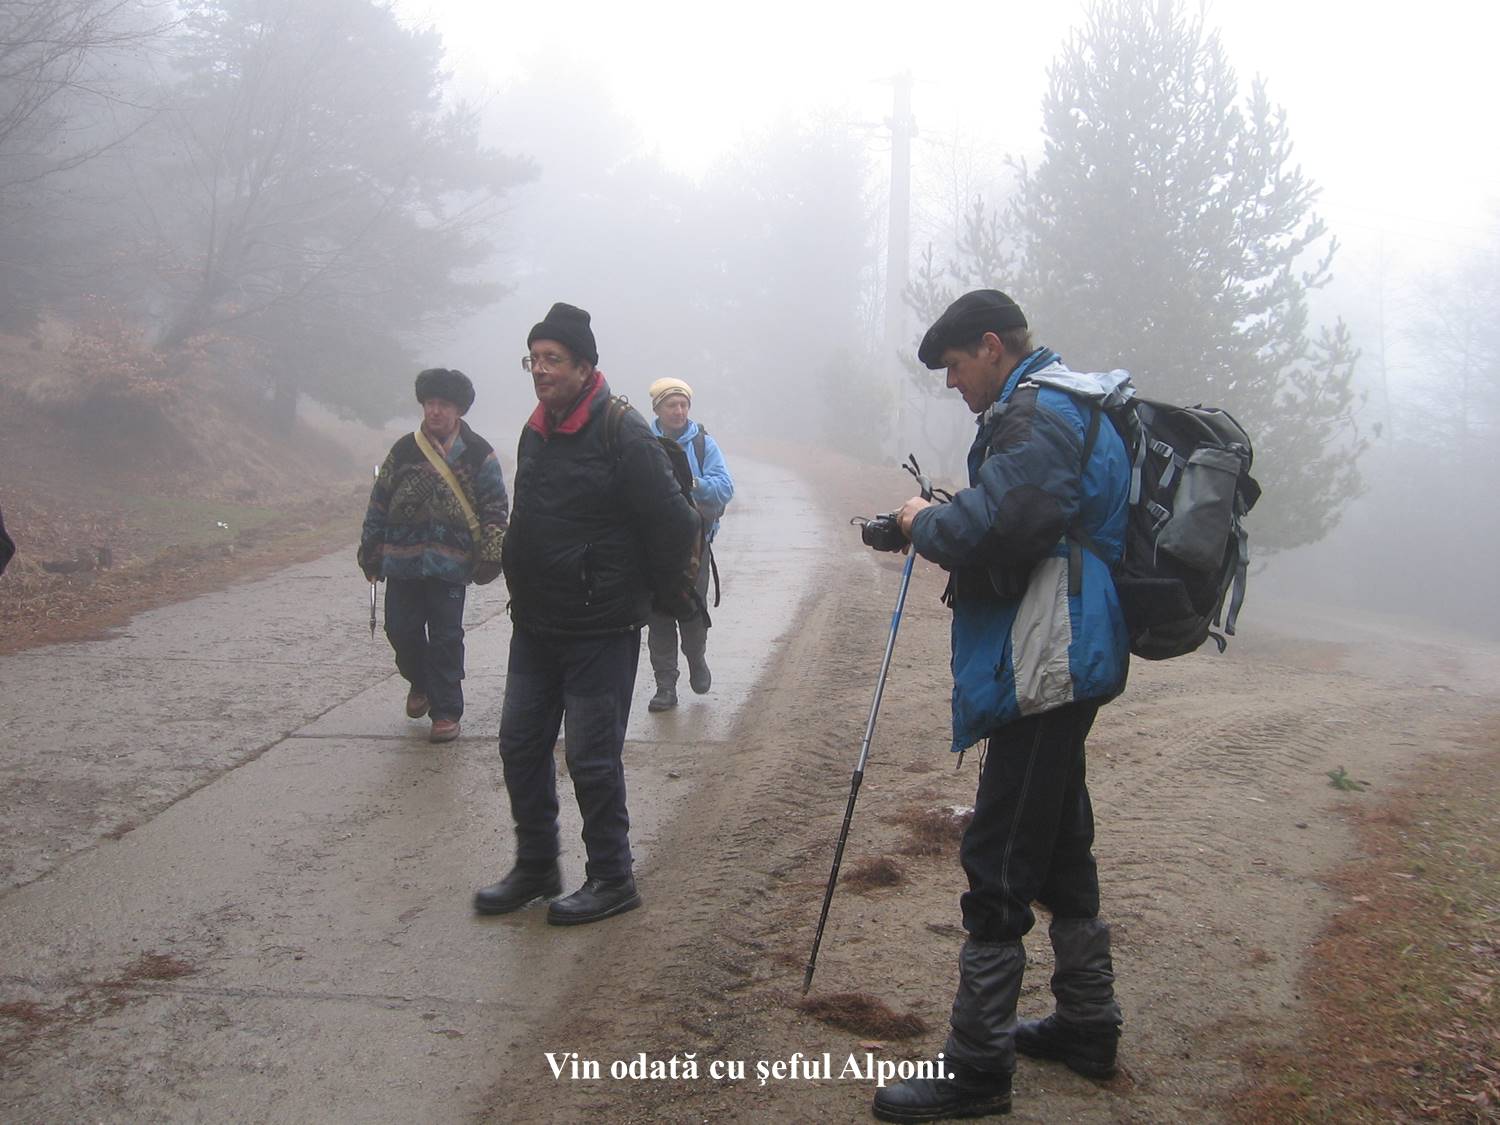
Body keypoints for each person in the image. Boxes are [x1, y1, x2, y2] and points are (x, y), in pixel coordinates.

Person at [869, 290, 1131, 1122]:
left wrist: (922, 520)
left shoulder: (1036, 413)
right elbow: (1029, 515)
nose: (952, 384)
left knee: (1000, 853)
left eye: (954, 367)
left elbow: (999, 528)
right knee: (1060, 838)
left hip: (1047, 654)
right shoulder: (1062, 404)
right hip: (1068, 647)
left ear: (991, 346)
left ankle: (978, 1066)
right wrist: (948, 516)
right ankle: (1087, 1023)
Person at [473, 303, 698, 926]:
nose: (540, 371)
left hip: (600, 627)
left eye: (553, 359)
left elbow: (676, 521)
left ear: (583, 366)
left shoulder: (622, 432)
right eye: (533, 360)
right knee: (519, 746)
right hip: (535, 621)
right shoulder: (535, 429)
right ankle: (537, 866)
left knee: (591, 758)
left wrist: (644, 596)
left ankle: (613, 877)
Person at [359, 368, 508, 744]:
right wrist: (371, 549)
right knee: (399, 630)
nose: (435, 411)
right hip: (402, 559)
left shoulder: (478, 453)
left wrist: (492, 554)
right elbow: (379, 501)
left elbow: (494, 507)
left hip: (451, 562)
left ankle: (446, 711)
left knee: (446, 637)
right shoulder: (404, 450)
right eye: (429, 403)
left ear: (459, 409)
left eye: (443, 404)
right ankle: (420, 681)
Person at [643, 377, 734, 712]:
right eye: (672, 405)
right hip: (652, 547)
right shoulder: (642, 443)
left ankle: (696, 659)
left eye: (683, 405)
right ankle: (665, 686)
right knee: (658, 616)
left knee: (692, 611)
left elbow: (725, 488)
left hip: (694, 546)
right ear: (657, 409)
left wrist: (692, 481)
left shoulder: (702, 444)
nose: (679, 411)